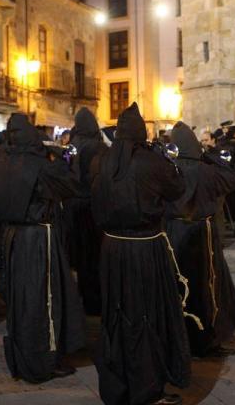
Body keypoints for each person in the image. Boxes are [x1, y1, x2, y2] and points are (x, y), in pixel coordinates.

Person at [90, 103, 189, 405]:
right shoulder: (150, 162)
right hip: (144, 248)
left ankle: (118, 386)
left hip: (111, 249)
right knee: (146, 315)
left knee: (118, 315)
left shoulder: (100, 162)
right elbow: (178, 188)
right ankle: (147, 390)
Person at [0, 114, 85, 383]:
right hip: (37, 239)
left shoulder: (1, 162)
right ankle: (43, 359)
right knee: (43, 299)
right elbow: (71, 185)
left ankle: (24, 357)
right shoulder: (39, 165)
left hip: (12, 237)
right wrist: (62, 157)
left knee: (20, 300)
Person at [166, 122, 235, 358]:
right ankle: (207, 339)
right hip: (202, 234)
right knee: (207, 286)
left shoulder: (169, 169)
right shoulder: (206, 170)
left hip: (175, 234)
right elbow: (230, 179)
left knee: (181, 287)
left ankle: (182, 340)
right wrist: (209, 156)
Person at [66, 107, 106, 316]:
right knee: (95, 256)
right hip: (92, 206)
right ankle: (96, 300)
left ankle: (85, 296)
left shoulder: (72, 145)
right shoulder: (96, 147)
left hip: (74, 206)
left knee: (82, 257)